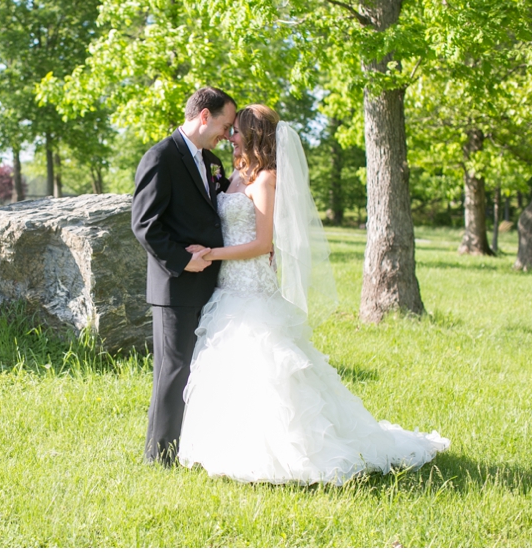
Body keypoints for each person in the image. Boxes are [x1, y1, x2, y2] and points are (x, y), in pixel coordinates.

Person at [177, 104, 450, 485]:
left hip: (254, 286)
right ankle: (230, 446)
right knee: (232, 369)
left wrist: (211, 255)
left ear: (254, 135)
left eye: (236, 131)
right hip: (228, 288)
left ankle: (289, 452)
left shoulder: (267, 180)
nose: (229, 136)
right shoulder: (236, 176)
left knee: (270, 369)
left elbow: (261, 243)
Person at [131, 86, 237, 465]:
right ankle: (158, 457)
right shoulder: (161, 157)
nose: (227, 135)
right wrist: (181, 260)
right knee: (173, 371)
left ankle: (190, 447)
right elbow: (145, 225)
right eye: (225, 125)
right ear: (204, 116)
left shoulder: (211, 161)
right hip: (175, 284)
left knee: (199, 369)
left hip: (211, 283)